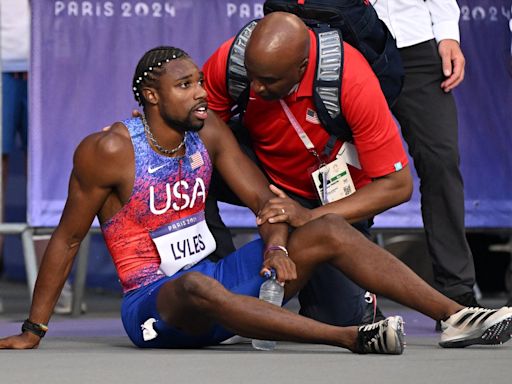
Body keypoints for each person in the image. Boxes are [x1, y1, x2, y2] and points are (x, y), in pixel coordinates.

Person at [1, 46, 511, 352]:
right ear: (152, 97)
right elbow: (67, 239)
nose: (201, 93)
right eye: (185, 86)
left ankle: (455, 316)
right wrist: (33, 328)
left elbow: (267, 202)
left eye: (201, 82)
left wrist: (275, 248)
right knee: (197, 284)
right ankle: (352, 337)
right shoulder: (108, 149)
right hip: (157, 307)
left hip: (225, 284)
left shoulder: (209, 131)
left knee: (329, 230)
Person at [202, 12, 412, 326]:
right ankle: (216, 283)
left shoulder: (351, 80)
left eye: (269, 80)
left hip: (330, 200)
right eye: (252, 76)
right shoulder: (230, 60)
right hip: (263, 173)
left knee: (343, 318)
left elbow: (398, 184)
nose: (256, 88)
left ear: (301, 68)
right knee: (187, 164)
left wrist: (309, 218)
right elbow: (202, 131)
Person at [371, 1, 480, 319]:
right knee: (345, 163)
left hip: (418, 45)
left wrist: (448, 33)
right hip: (357, 47)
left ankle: (456, 292)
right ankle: (351, 294)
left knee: (441, 161)